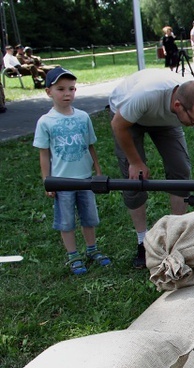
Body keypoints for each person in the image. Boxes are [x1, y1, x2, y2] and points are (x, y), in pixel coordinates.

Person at [109, 69, 194, 268]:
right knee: (134, 178)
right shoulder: (145, 95)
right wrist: (135, 161)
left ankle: (175, 236)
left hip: (164, 119)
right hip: (126, 118)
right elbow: (118, 125)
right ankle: (142, 241)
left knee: (180, 169)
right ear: (177, 105)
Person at [33, 67, 111, 275]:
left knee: (89, 217)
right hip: (62, 181)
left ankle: (92, 249)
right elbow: (44, 153)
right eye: (61, 89)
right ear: (49, 92)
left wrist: (97, 169)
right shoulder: (45, 122)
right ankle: (73, 255)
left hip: (85, 179)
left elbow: (90, 145)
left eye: (72, 89)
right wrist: (47, 180)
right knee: (66, 220)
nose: (67, 94)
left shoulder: (83, 117)